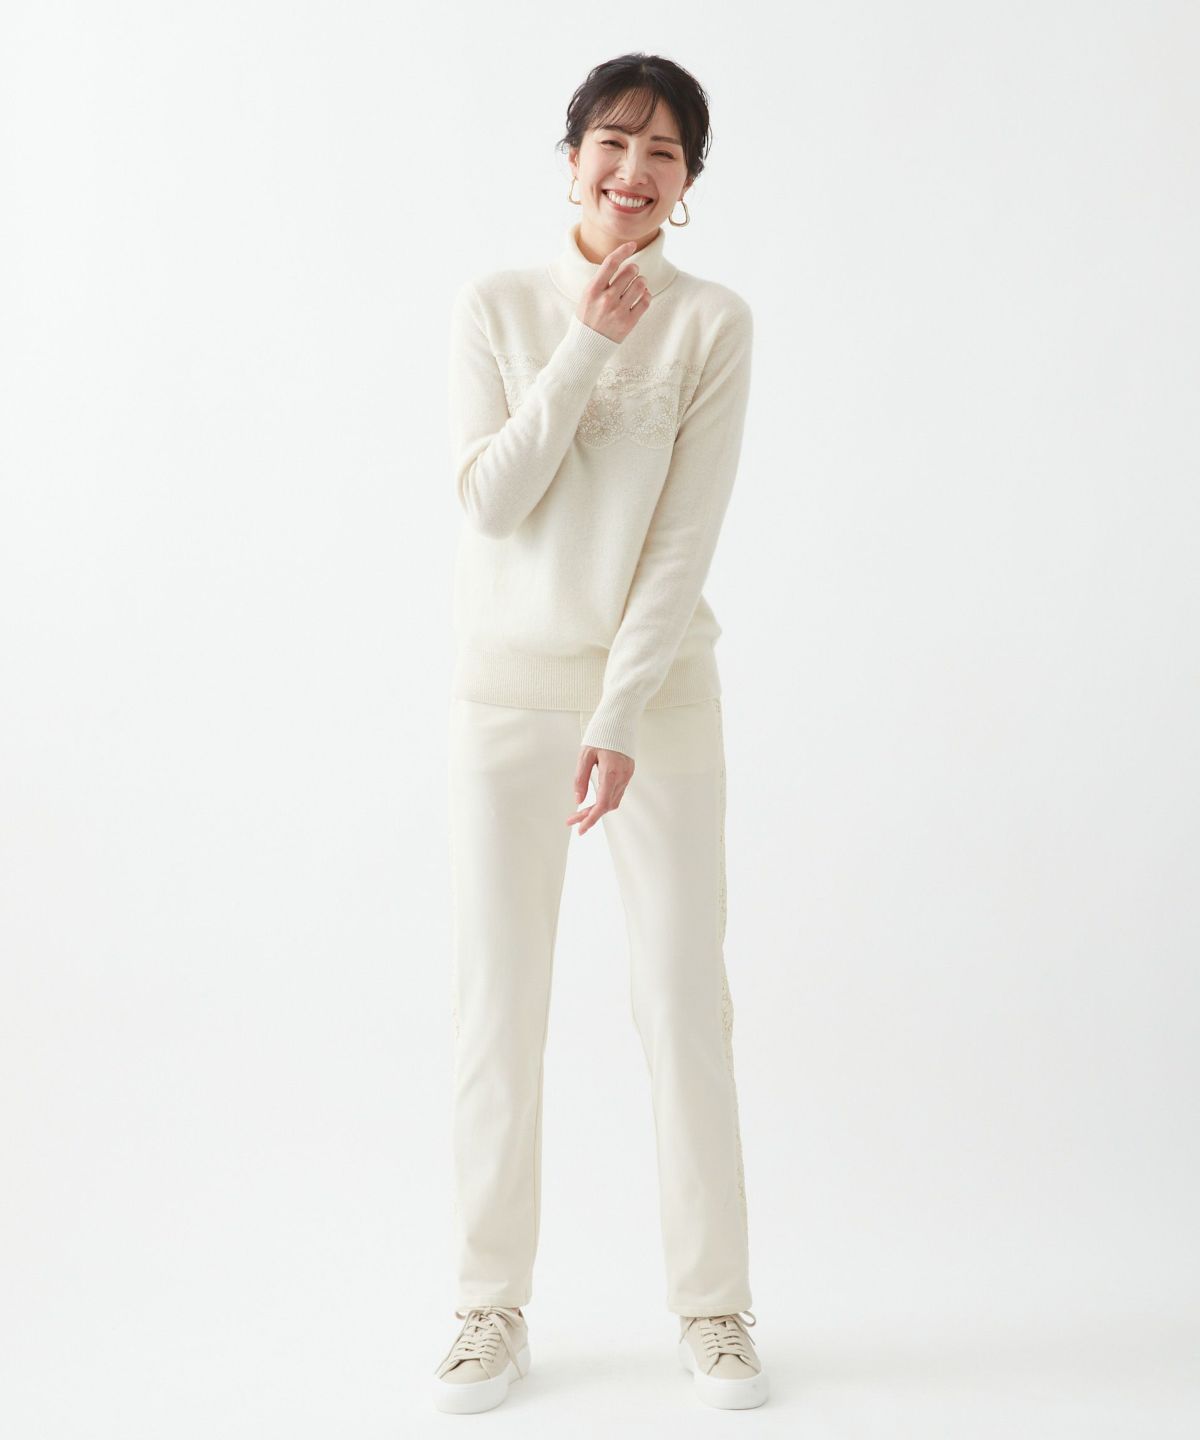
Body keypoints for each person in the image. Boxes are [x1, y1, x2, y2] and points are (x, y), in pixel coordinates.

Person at [433, 53, 767, 1414]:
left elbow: (681, 543)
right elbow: (491, 502)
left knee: (683, 1001)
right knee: (499, 1005)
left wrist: (622, 714)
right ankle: (486, 1308)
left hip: (658, 700)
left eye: (664, 153)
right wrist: (587, 341)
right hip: (509, 695)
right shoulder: (499, 306)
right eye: (613, 143)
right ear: (571, 157)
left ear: (688, 186)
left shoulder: (716, 324)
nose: (634, 171)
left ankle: (716, 1308)